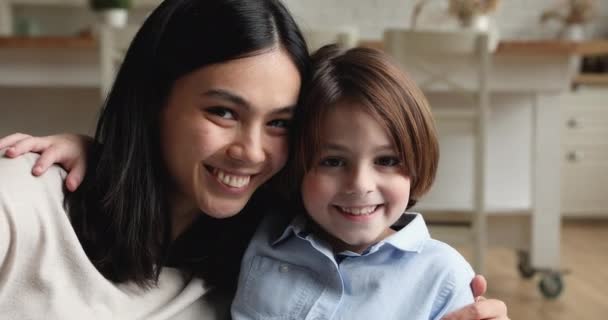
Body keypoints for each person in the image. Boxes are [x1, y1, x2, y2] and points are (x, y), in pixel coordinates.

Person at [0, 0, 509, 319]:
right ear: (154, 100)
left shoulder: (259, 249)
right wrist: (100, 153)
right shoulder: (18, 205)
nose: (252, 151)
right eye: (223, 111)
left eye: (280, 123)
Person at [231, 44, 475, 319]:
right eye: (333, 162)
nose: (360, 185)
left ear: (417, 158)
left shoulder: (442, 276)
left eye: (386, 161)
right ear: (298, 165)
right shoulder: (263, 232)